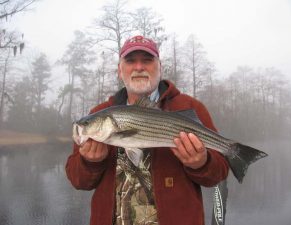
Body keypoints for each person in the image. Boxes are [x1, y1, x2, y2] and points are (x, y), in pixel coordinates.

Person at [65, 35, 229, 225]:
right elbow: (78, 181)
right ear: (120, 70)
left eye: (147, 60)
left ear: (160, 67)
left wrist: (201, 162)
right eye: (130, 61)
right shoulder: (99, 113)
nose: (139, 67)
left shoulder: (190, 106)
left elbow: (219, 172)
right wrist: (90, 163)